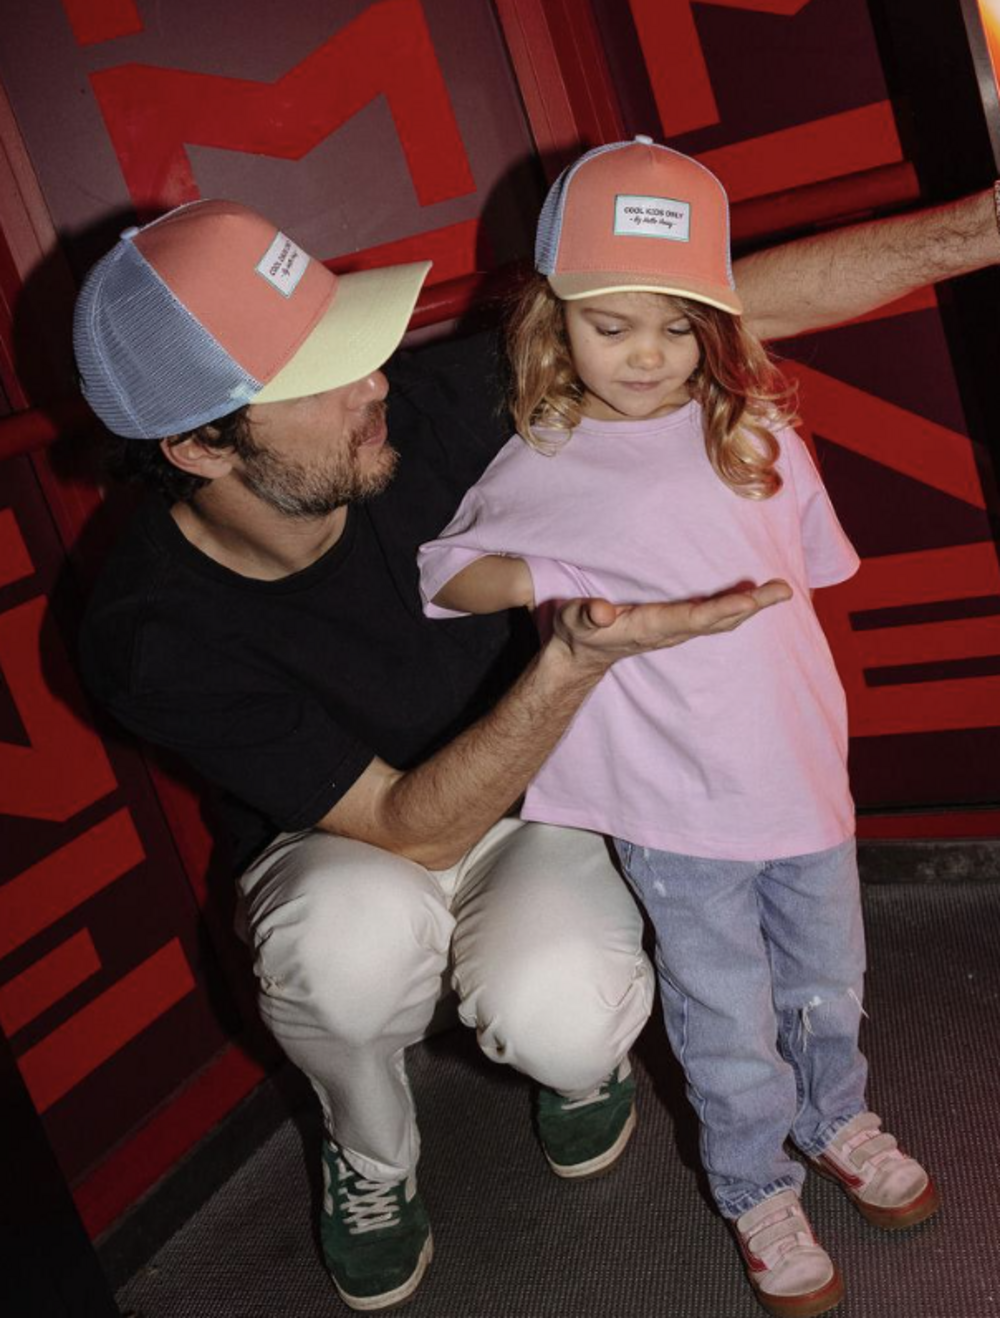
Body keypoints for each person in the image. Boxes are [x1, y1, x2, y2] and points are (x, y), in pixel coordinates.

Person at [70, 179, 994, 1313]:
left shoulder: (415, 409)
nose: (375, 383)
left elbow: (714, 301)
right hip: (351, 839)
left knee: (566, 1014)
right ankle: (370, 1154)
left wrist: (982, 228)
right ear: (199, 447)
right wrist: (574, 657)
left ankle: (580, 1069)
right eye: (323, 376)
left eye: (354, 345)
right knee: (336, 951)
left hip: (540, 805)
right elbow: (407, 825)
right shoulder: (146, 631)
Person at [417, 137, 940, 1318]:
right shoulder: (544, 454)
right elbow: (446, 576)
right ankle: (754, 1183)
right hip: (671, 807)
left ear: (714, 324)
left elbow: (807, 581)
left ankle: (837, 1117)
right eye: (611, 326)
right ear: (555, 322)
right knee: (723, 1011)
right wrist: (558, 576)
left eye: (675, 325)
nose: (646, 354)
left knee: (828, 977)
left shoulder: (761, 432)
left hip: (799, 778)